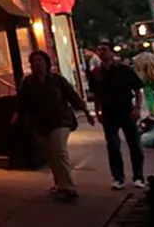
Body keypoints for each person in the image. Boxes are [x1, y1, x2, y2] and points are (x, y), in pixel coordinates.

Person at [13, 50, 94, 199]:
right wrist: (17, 116)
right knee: (50, 155)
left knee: (59, 151)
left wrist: (86, 112)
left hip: (60, 120)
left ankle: (68, 187)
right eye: (34, 61)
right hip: (40, 122)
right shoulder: (28, 82)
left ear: (46, 63)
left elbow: (72, 95)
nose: (37, 64)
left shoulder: (57, 80)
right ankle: (59, 184)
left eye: (40, 60)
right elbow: (21, 101)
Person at [88, 40, 146, 190]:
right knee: (113, 146)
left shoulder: (124, 70)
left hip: (126, 110)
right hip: (109, 112)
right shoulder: (96, 73)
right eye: (99, 50)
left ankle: (138, 176)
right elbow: (96, 94)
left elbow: (138, 90)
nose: (102, 52)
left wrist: (137, 108)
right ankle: (118, 177)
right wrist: (97, 111)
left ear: (112, 52)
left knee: (134, 145)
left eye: (105, 49)